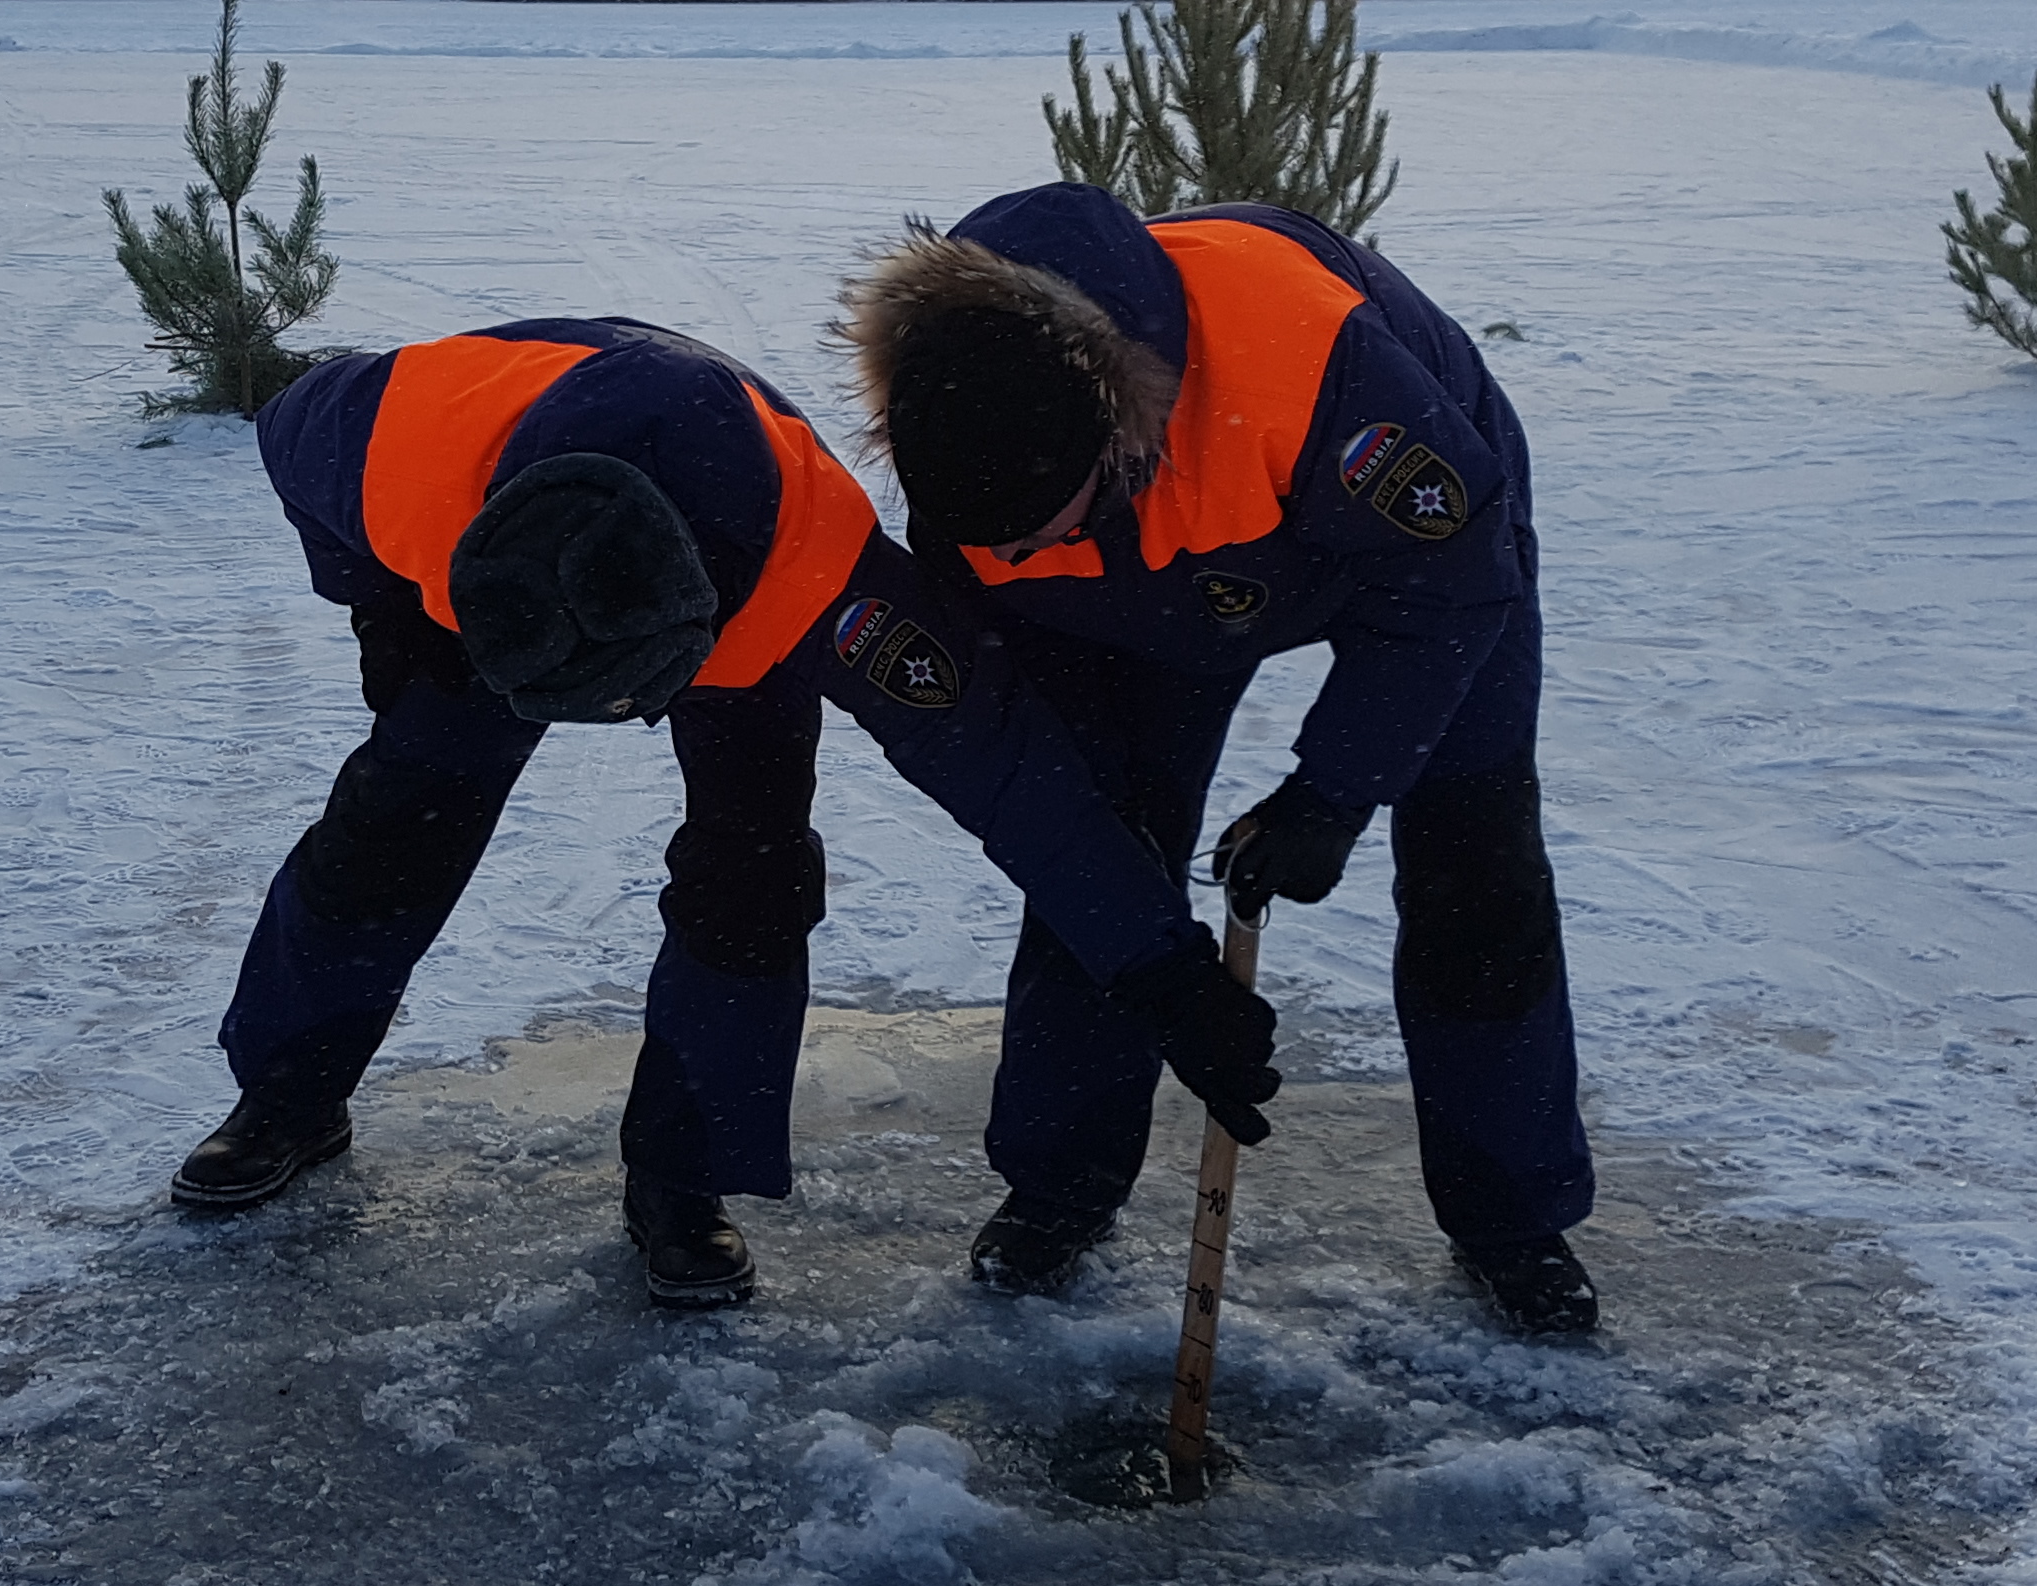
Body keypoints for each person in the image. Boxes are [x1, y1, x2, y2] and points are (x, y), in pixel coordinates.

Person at [173, 313, 1284, 1307]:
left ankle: (682, 1177)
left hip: (744, 612)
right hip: (499, 582)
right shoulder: (390, 441)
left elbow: (1011, 777)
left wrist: (1163, 973)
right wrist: (379, 609)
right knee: (393, 822)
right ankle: (289, 1096)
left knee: (748, 880)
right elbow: (286, 435)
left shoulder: (832, 581)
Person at [839, 183, 1602, 1337]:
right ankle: (1058, 1186)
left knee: (1474, 854)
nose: (1012, 558)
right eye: (994, 546)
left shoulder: (1318, 365)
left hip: (1413, 559)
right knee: (1098, 844)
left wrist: (1334, 794)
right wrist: (1162, 974)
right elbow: (1025, 788)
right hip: (1133, 587)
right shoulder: (971, 450)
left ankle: (1511, 1214)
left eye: (1036, 533)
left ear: (1113, 439)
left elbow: (1451, 587)